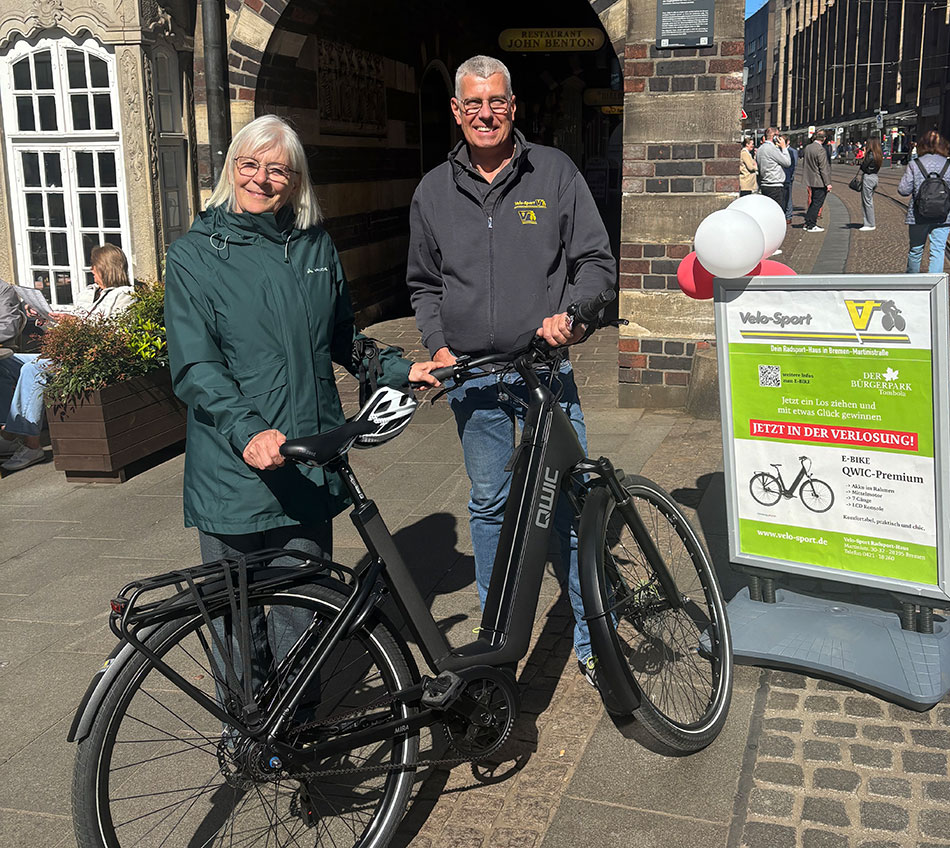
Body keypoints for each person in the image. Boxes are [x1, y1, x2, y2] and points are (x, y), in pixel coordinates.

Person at [164, 115, 438, 698]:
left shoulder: (315, 246)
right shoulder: (194, 255)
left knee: (303, 614)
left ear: (296, 181)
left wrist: (397, 367)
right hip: (235, 470)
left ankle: (301, 735)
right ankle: (250, 738)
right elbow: (196, 365)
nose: (261, 179)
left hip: (307, 461)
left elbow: (342, 338)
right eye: (249, 165)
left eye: (277, 170)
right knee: (238, 624)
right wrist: (248, 430)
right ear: (230, 168)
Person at [406, 55, 616, 684]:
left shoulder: (553, 171)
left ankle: (591, 637)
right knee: (492, 504)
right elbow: (423, 285)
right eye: (472, 104)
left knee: (574, 505)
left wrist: (574, 315)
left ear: (513, 105)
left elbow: (596, 262)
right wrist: (438, 344)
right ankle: (498, 640)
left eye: (496, 101)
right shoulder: (431, 192)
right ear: (456, 111)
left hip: (544, 371)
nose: (485, 113)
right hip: (471, 377)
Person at [0, 244, 135, 471]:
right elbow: (68, 329)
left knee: (33, 370)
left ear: (107, 268)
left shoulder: (125, 297)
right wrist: (47, 322)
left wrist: (75, 323)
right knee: (6, 361)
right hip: (67, 352)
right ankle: (12, 427)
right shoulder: (89, 292)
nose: (92, 270)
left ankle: (29, 443)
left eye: (95, 266)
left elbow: (114, 335)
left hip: (87, 359)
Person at [898, 130, 950, 274]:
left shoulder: (914, 164)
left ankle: (912, 285)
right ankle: (935, 287)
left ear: (922, 145)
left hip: (918, 214)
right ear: (943, 145)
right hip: (944, 214)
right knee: (938, 250)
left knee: (916, 250)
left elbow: (903, 190)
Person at [755, 127, 792, 212]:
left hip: (765, 184)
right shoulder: (771, 149)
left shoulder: (760, 149)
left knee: (768, 211)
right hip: (775, 186)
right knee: (777, 212)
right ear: (774, 137)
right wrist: (783, 147)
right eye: (778, 136)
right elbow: (787, 162)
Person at [803, 129, 833, 233]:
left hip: (810, 179)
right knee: (817, 203)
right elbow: (823, 168)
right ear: (824, 139)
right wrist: (828, 183)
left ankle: (808, 222)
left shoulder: (808, 147)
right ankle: (811, 224)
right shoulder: (820, 150)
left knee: (813, 202)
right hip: (819, 181)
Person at [858, 137, 883, 231]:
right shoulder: (878, 154)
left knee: (867, 201)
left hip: (868, 178)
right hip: (875, 177)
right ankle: (869, 222)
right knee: (869, 200)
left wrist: (864, 155)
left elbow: (863, 167)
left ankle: (869, 223)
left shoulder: (870, 155)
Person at [782, 138, 798, 222]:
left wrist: (791, 175)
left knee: (788, 197)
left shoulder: (792, 151)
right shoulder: (778, 150)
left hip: (788, 177)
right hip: (781, 177)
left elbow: (794, 164)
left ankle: (788, 215)